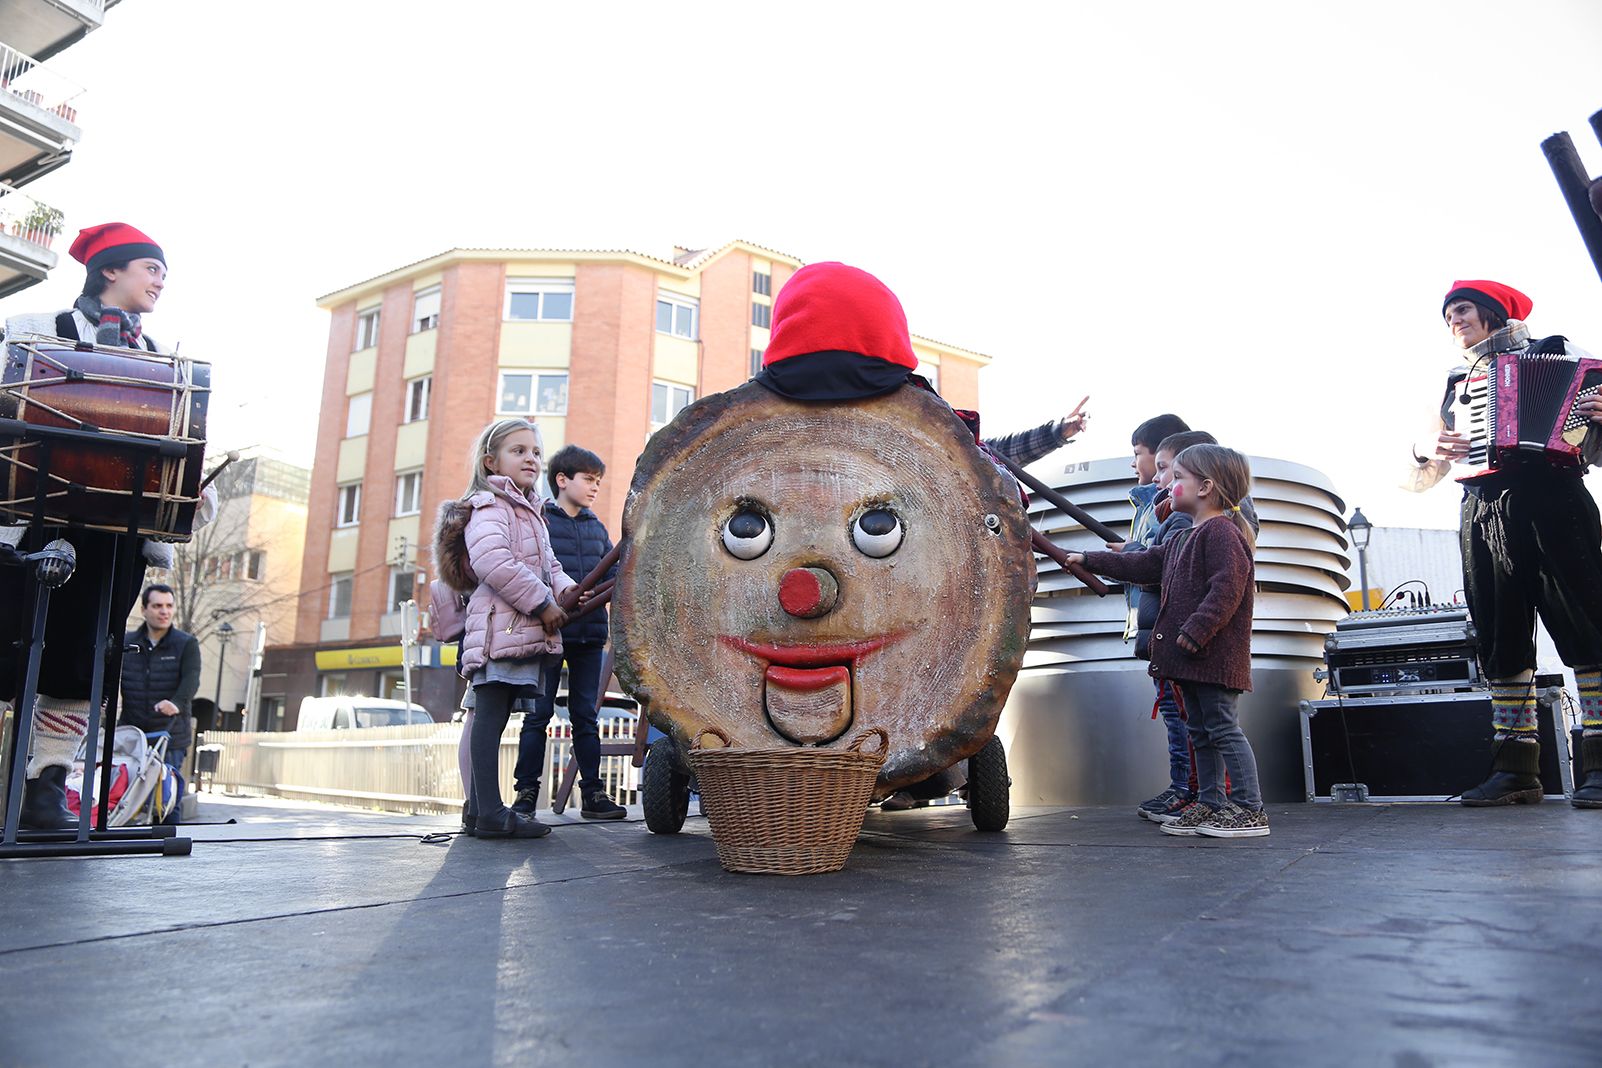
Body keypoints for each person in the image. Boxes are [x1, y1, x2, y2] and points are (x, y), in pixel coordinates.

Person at [0, 222, 214, 830]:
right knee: (8, 646)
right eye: (152, 268)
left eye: (165, 274)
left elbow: (183, 445)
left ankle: (45, 787)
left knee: (76, 662)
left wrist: (193, 492)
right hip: (30, 521)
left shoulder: (159, 363)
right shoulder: (34, 331)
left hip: (112, 538)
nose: (161, 282)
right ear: (110, 270)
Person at [1405, 280, 1602, 808]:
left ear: (1492, 312)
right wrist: (1428, 447)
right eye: (1448, 315)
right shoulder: (1455, 380)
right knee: (1500, 635)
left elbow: (1593, 446)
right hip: (1483, 507)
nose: (1454, 321)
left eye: (1462, 310)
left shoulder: (1564, 353)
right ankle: (1516, 770)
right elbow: (1424, 470)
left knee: (1588, 624)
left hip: (1554, 498)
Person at [1070, 444, 1268, 838]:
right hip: (1190, 658)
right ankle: (1209, 803)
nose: (1169, 486)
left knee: (1223, 728)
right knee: (1199, 730)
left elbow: (1227, 589)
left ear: (1206, 487)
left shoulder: (1222, 533)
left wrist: (1196, 631)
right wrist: (1090, 559)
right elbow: (1143, 562)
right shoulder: (1182, 538)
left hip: (1211, 655)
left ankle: (1249, 807)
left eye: (1178, 478)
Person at [446, 417, 575, 839]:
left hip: (516, 628)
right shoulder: (489, 506)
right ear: (491, 462)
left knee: (496, 716)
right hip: (500, 628)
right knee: (490, 714)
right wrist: (542, 603)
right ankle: (488, 814)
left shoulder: (531, 511)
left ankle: (480, 809)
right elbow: (494, 563)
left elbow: (549, 565)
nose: (531, 459)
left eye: (536, 452)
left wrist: (572, 592)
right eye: (518, 451)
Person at [510, 444, 626, 821]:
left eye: (598, 481)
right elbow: (531, 570)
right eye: (588, 479)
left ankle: (592, 794)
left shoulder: (596, 527)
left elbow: (614, 576)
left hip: (589, 635)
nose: (595, 487)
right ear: (562, 480)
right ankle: (526, 796)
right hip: (548, 632)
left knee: (585, 717)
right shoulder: (541, 520)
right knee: (537, 715)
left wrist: (600, 590)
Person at [120, 584, 201, 775]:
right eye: (157, 606)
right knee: (125, 796)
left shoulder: (186, 643)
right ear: (144, 610)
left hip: (170, 735)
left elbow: (192, 678)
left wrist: (176, 703)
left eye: (169, 606)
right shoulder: (127, 643)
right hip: (131, 734)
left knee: (165, 797)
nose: (164, 611)